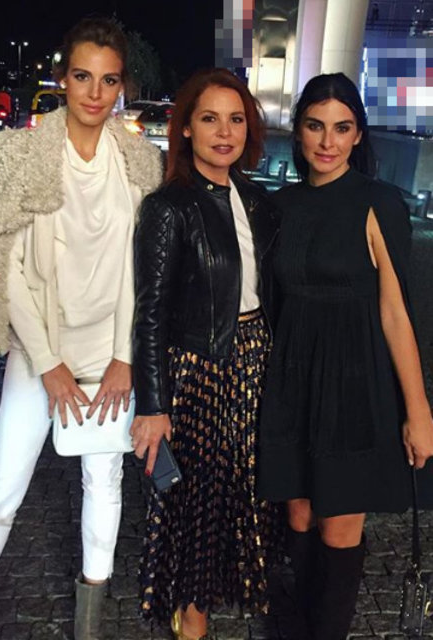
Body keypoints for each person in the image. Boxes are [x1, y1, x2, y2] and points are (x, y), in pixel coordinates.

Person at [0, 17, 162, 640]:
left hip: (111, 352)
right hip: (39, 354)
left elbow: (145, 269)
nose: (95, 92)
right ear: (63, 78)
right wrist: (49, 363)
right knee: (0, 490)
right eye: (83, 76)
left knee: (103, 482)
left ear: (122, 86)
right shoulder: (21, 155)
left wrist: (125, 357)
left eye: (108, 80)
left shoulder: (139, 162)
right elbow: (1, 266)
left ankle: (89, 623)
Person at [258, 72, 433, 640]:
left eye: (341, 128)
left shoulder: (378, 203)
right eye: (316, 126)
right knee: (298, 513)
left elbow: (396, 313)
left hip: (355, 382)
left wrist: (418, 411)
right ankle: (299, 621)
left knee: (339, 524)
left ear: (358, 135)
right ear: (298, 130)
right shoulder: (278, 206)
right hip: (292, 378)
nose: (327, 141)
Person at [131, 68, 283, 640]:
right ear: (188, 129)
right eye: (210, 119)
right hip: (199, 369)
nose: (225, 132)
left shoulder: (258, 201)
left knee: (244, 489)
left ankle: (222, 592)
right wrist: (153, 405)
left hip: (255, 360)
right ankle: (191, 618)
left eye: (236, 119)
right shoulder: (168, 207)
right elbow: (150, 312)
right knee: (197, 501)